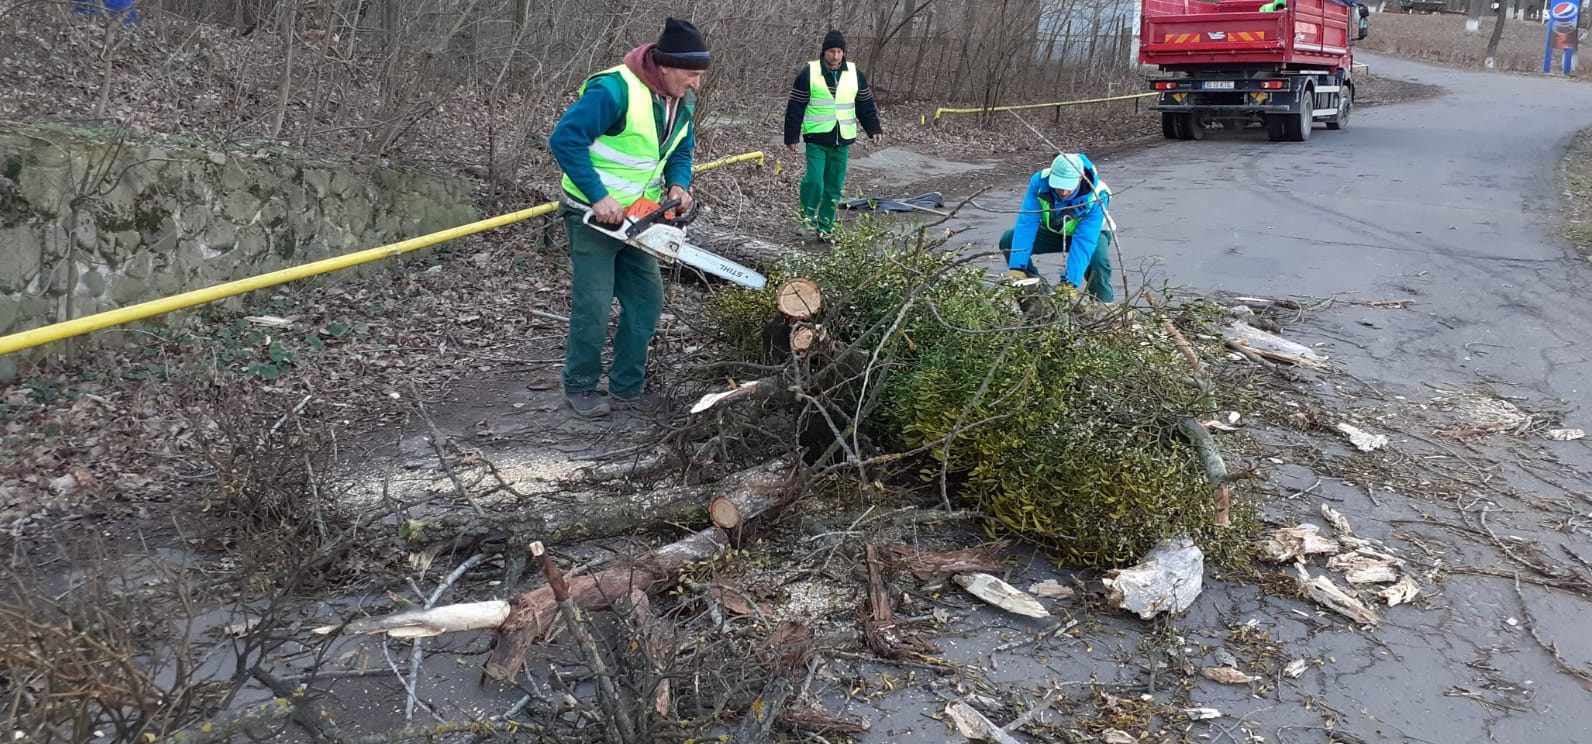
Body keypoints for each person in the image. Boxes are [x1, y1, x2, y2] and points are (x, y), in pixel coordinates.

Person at [548, 17, 710, 418]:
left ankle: (627, 386)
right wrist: (598, 195)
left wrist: (678, 184)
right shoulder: (614, 89)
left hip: (639, 217)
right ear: (667, 66)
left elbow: (682, 151)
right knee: (595, 303)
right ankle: (581, 385)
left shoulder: (680, 102)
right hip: (591, 215)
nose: (696, 84)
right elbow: (564, 139)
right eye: (691, 74)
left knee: (646, 300)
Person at [782, 30, 884, 240]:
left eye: (839, 51)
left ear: (843, 53)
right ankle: (806, 219)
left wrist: (874, 129)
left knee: (834, 185)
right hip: (817, 138)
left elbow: (865, 104)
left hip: (843, 139)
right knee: (815, 181)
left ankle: (825, 227)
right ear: (824, 52)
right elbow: (795, 107)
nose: (835, 56)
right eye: (831, 51)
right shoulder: (809, 73)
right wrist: (791, 136)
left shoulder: (855, 73)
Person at [1000, 153, 1115, 302]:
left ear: (1080, 178)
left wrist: (1069, 282)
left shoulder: (1098, 194)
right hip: (1054, 231)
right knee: (1009, 240)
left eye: (1068, 187)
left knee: (1098, 262)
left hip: (1093, 235)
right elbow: (1027, 222)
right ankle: (1038, 297)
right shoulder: (1040, 182)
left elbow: (1084, 240)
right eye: (1059, 187)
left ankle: (1103, 306)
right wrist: (1017, 266)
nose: (1064, 193)